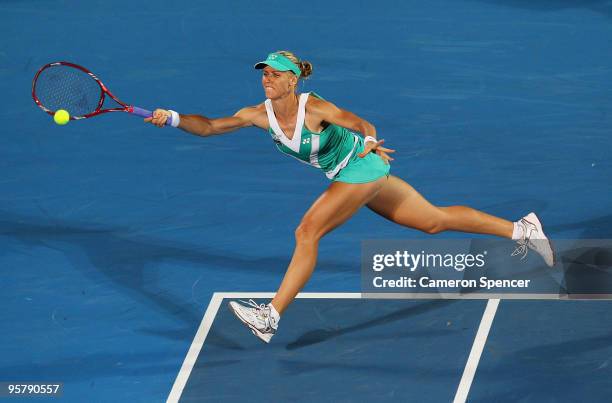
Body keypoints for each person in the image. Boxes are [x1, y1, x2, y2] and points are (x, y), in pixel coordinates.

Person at [145, 50, 555, 343]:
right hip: (358, 173)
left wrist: (369, 139)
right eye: (263, 73)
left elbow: (359, 121)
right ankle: (522, 229)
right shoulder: (257, 114)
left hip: (361, 168)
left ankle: (270, 315)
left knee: (307, 232)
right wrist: (175, 118)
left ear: (293, 79)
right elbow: (213, 126)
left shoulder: (314, 106)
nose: (266, 78)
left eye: (274, 73)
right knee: (432, 221)